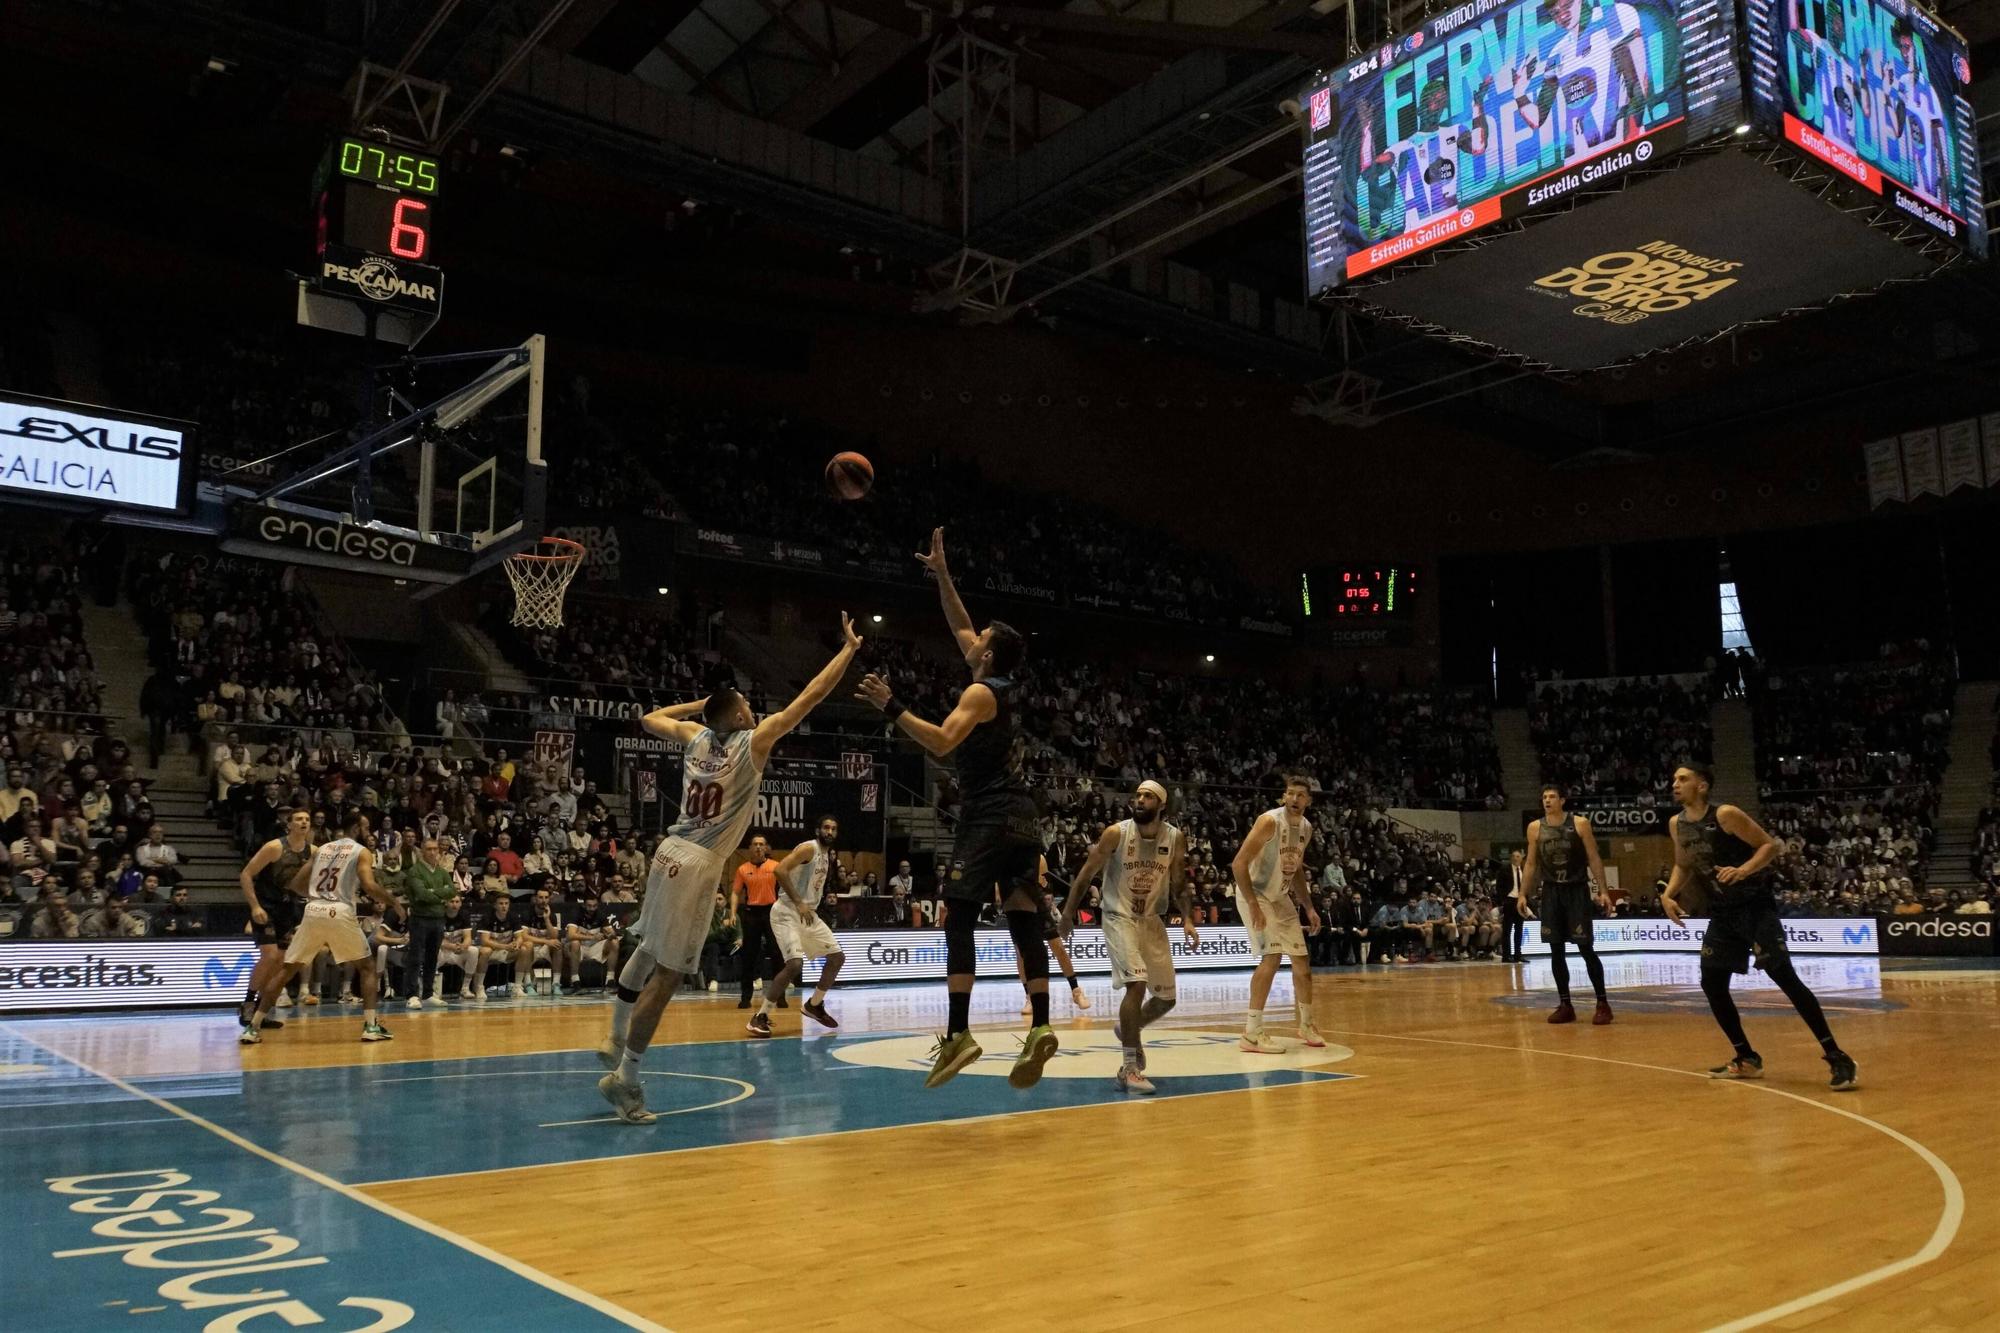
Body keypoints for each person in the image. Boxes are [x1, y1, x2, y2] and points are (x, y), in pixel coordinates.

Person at [597, 615, 862, 1124]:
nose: (751, 707)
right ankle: (625, 1079)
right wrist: (847, 650)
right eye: (743, 705)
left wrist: (702, 706)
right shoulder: (754, 742)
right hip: (697, 864)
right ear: (740, 719)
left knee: (648, 948)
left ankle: (613, 1036)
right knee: (669, 974)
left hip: (667, 852)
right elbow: (810, 696)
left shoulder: (697, 738)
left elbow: (651, 717)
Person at [856, 528, 1057, 1091]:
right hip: (1024, 816)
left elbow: (942, 742)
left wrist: (891, 705)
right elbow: (959, 623)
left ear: (987, 653)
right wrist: (942, 574)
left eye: (980, 638)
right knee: (1023, 918)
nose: (970, 639)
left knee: (959, 915)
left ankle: (959, 1033)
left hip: (990, 813)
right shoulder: (1000, 683)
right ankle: (1041, 1026)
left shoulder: (979, 692)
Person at [1662, 764, 1857, 1090]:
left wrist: (1744, 870)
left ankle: (1837, 1056)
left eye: (1683, 779)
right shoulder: (1676, 824)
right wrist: (1668, 894)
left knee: (1785, 978)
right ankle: (1746, 1058)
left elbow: (1768, 846)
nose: (1675, 784)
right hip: (1722, 912)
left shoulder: (1726, 814)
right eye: (1674, 780)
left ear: (1703, 785)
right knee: (1712, 982)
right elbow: (1684, 864)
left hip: (1754, 907)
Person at [1059, 780, 1191, 1095]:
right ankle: (1129, 1068)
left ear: (1161, 806)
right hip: (1119, 916)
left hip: (1151, 920)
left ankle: (1128, 1028)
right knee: (1137, 983)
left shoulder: (1175, 839)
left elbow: (1180, 883)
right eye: (1138, 795)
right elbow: (1086, 874)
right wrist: (1066, 915)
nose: (1140, 800)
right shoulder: (1116, 833)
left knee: (1166, 999)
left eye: (1148, 796)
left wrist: (1188, 919)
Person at [242, 809, 402, 1044]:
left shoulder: (323, 848)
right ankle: (371, 1026)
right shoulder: (361, 851)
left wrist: (318, 896)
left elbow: (296, 884)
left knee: (287, 969)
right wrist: (394, 902)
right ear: (356, 829)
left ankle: (253, 1028)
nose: (368, 832)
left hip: (313, 909)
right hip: (339, 910)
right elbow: (369, 885)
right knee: (367, 967)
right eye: (365, 828)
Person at [1230, 773, 1324, 1053]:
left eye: (1300, 795)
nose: (1294, 799)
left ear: (1309, 800)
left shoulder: (1305, 828)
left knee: (1302, 964)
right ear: (1284, 796)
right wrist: (1253, 905)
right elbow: (1238, 864)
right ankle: (1251, 1032)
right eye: (1290, 793)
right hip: (1255, 894)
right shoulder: (1269, 821)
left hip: (1279, 897)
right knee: (1272, 957)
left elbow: (1295, 870)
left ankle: (1307, 1024)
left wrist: (1308, 906)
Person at [1520, 785, 1613, 1025]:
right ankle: (1565, 1004)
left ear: (1562, 800)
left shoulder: (1580, 824)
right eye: (1544, 797)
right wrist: (1523, 894)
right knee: (1555, 950)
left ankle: (1602, 1003)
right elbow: (1530, 864)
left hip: (1576, 891)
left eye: (1552, 797)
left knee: (1586, 949)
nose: (1547, 800)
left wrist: (1603, 890)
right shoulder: (1535, 828)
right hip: (1551, 892)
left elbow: (1594, 857)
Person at [753, 815, 848, 1036]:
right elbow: (779, 870)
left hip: (808, 914)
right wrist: (798, 902)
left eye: (834, 829)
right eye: (826, 828)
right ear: (818, 830)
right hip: (787, 911)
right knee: (794, 965)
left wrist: (806, 906)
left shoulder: (827, 855)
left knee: (837, 957)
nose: (830, 832)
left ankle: (814, 1004)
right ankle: (760, 1016)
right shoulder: (809, 849)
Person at [235, 808, 315, 1034]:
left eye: (307, 820)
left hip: (289, 908)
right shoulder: (274, 847)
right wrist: (255, 906)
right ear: (288, 824)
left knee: (281, 961)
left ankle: (262, 1010)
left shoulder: (314, 851)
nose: (304, 822)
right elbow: (246, 875)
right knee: (269, 955)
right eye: (299, 819)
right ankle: (247, 1004)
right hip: (266, 906)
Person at [1012, 856, 1089, 1017]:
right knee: (1021, 953)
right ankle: (1029, 997)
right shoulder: (1007, 856)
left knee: (1058, 947)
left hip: (1037, 905)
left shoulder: (1038, 857)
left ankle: (1076, 990)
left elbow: (1043, 882)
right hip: (1017, 906)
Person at [400, 836, 457, 1008]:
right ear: (422, 851)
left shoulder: (441, 871)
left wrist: (433, 892)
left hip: (438, 919)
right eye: (429, 849)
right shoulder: (415, 871)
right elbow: (421, 895)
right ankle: (412, 995)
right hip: (420, 918)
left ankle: (428, 993)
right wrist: (440, 895)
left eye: (435, 849)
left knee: (433, 957)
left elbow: (452, 891)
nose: (432, 852)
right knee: (415, 957)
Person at [729, 837, 783, 1010]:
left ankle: (779, 996)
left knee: (777, 954)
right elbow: (736, 893)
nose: (759, 847)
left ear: (766, 847)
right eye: (755, 844)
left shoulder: (775, 866)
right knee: (749, 956)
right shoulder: (742, 869)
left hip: (772, 912)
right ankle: (746, 997)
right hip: (751, 914)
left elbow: (787, 888)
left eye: (762, 844)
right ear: (750, 848)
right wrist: (732, 913)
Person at [1499, 849, 1529, 962]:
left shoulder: (1524, 870)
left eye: (1518, 856)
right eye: (1514, 856)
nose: (1516, 858)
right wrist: (1503, 900)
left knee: (1519, 929)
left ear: (1521, 859)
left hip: (1520, 901)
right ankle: (1506, 956)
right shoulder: (1505, 869)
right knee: (1507, 930)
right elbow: (1499, 886)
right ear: (1511, 858)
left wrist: (1526, 900)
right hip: (1509, 901)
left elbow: (1526, 887)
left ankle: (1518, 955)